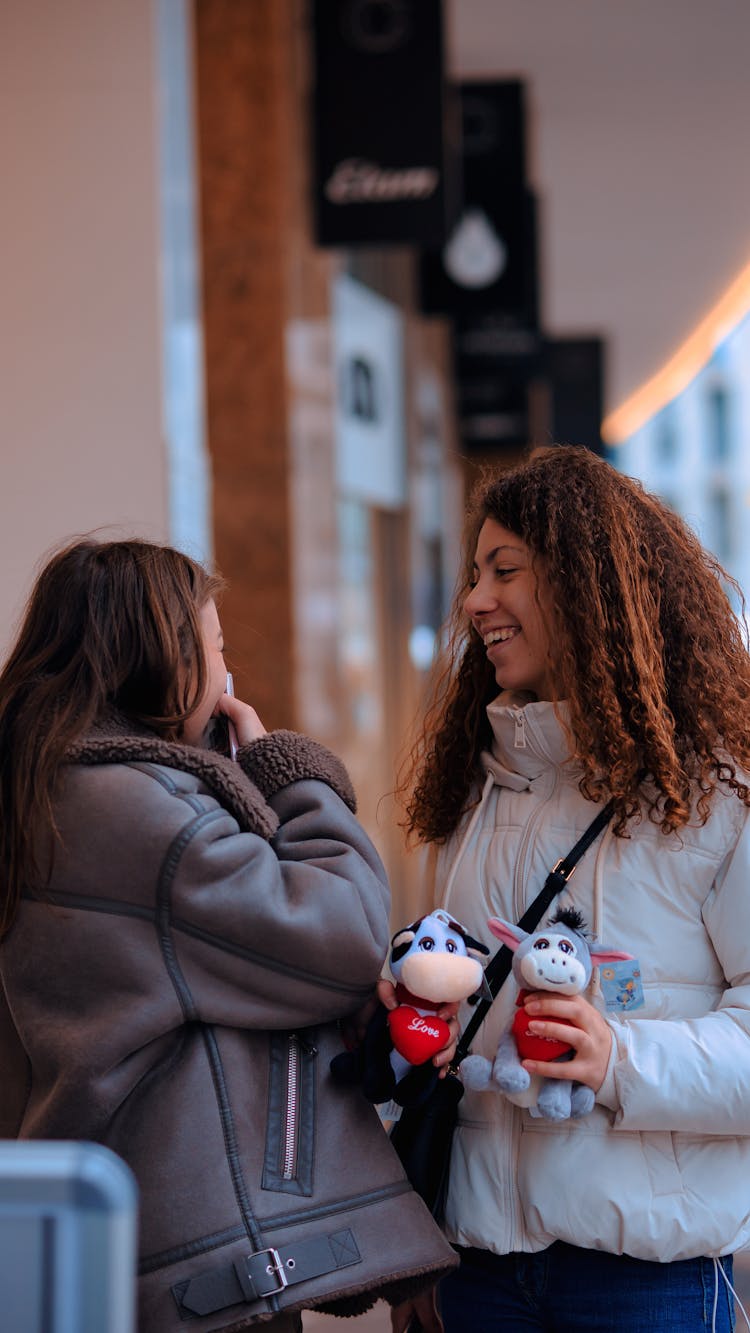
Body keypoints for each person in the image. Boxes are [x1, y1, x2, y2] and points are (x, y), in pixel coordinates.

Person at [0, 537, 457, 1333]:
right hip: (189, 1276)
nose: (226, 672)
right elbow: (344, 934)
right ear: (163, 659)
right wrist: (292, 772)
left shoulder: (38, 787)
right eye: (215, 647)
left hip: (91, 1233)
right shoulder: (141, 819)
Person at [394, 445, 750, 1332]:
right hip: (478, 1270)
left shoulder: (716, 794)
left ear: (588, 587)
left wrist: (618, 1059)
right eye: (476, 572)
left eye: (505, 569)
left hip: (644, 1281)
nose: (476, 599)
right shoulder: (479, 784)